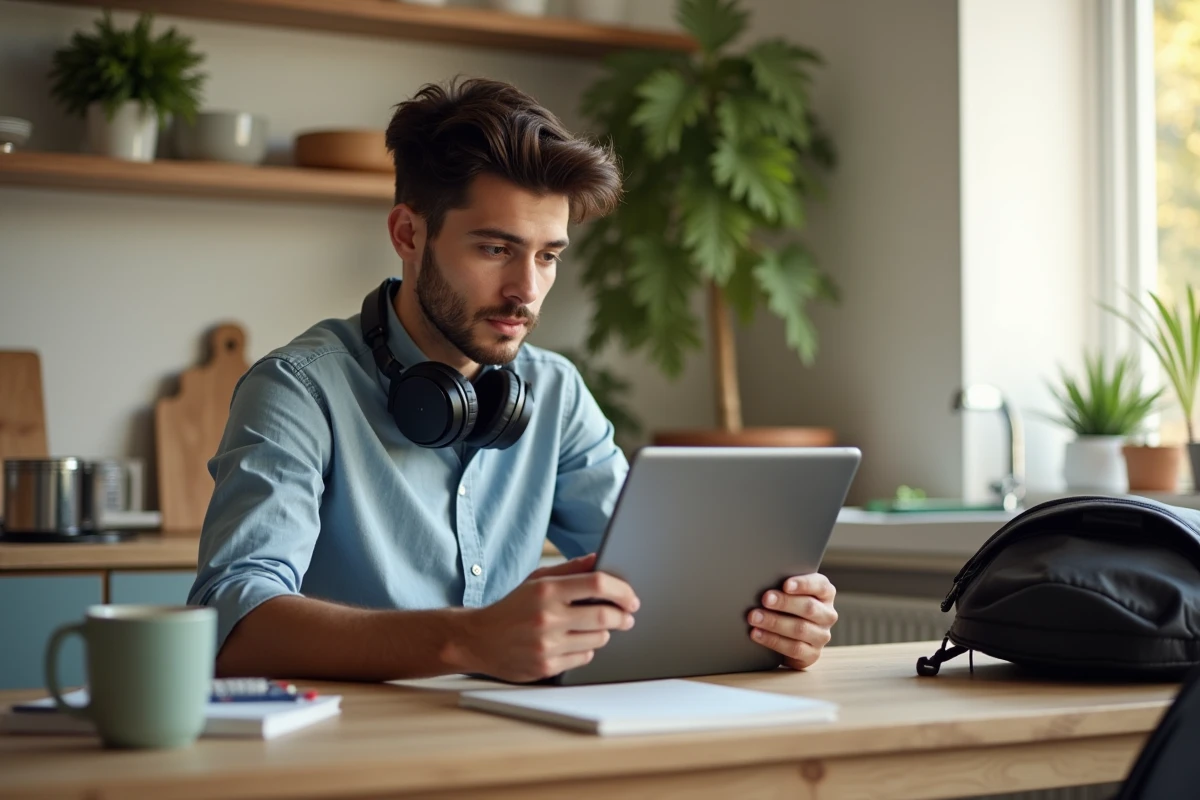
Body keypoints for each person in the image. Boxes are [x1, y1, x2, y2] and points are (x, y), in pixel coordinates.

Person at [188, 77, 839, 684]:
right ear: (408, 234)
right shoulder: (297, 390)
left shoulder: (555, 392)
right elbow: (232, 623)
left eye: (547, 256)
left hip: (519, 735)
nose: (526, 289)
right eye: (495, 249)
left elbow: (655, 576)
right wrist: (463, 640)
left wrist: (773, 621)